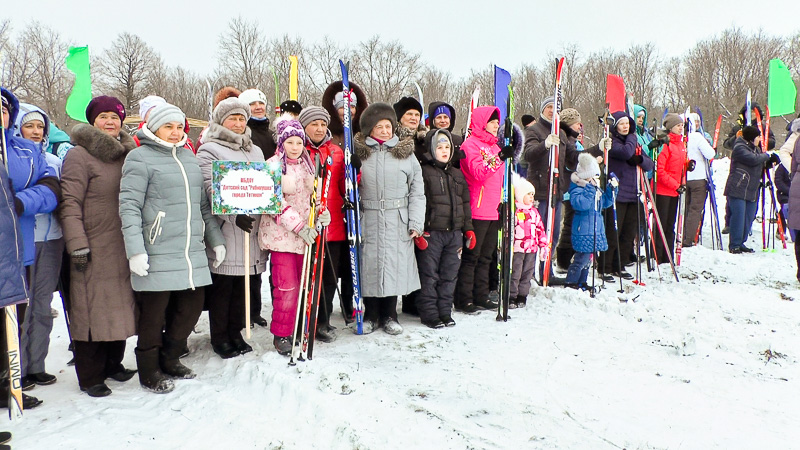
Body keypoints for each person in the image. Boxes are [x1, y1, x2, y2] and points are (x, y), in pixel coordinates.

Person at [120, 103, 227, 392]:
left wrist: (215, 240)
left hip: (190, 251)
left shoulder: (189, 158)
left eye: (179, 126)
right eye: (168, 126)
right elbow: (129, 206)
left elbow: (203, 206)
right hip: (156, 249)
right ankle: (148, 368)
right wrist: (135, 250)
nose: (175, 132)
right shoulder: (139, 158)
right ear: (153, 128)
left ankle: (170, 357)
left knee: (190, 309)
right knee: (153, 315)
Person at [60, 96, 137, 397]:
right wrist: (77, 244)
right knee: (90, 308)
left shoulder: (128, 154)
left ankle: (112, 364)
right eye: (103, 116)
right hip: (92, 244)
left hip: (122, 242)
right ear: (93, 120)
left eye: (115, 117)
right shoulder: (80, 155)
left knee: (118, 306)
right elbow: (69, 203)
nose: (110, 122)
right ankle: (90, 375)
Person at [196, 98, 267, 358]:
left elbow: (262, 184)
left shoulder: (254, 150)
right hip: (226, 229)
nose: (238, 124)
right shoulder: (209, 150)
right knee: (223, 287)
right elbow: (209, 187)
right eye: (232, 119)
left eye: (241, 118)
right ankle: (220, 336)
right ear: (220, 121)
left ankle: (236, 331)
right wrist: (233, 214)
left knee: (244, 287)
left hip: (252, 229)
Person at [1, 88, 56, 409]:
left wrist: (19, 201)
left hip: (19, 250)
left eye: (5, 108)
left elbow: (50, 189)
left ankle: (9, 383)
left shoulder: (24, 151)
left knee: (13, 319)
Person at [353, 103, 425, 334]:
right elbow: (348, 189)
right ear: (369, 129)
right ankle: (371, 314)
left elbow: (417, 190)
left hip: (397, 218)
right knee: (371, 266)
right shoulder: (359, 154)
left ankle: (390, 315)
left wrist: (415, 221)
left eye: (388, 126)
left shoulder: (406, 155)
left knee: (394, 265)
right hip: (369, 217)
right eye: (379, 127)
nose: (385, 131)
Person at [258, 118, 328, 354]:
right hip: (283, 238)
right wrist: (299, 226)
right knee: (286, 288)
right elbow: (273, 204)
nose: (295, 146)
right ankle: (282, 333)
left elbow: (315, 197)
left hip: (305, 238)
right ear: (282, 142)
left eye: (299, 142)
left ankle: (299, 326)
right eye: (290, 141)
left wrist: (321, 213)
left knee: (304, 286)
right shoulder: (272, 166)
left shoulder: (309, 165)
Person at [13, 104, 63, 389]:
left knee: (43, 305)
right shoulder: (12, 159)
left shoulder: (53, 162)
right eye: (29, 126)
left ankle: (36, 365)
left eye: (40, 127)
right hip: (22, 241)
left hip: (52, 239)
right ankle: (15, 370)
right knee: (22, 306)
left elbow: (56, 196)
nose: (35, 131)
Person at [455, 106, 514, 313]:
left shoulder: (495, 146)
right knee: (472, 257)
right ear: (482, 123)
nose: (496, 125)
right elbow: (479, 172)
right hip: (476, 209)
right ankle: (465, 299)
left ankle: (481, 295)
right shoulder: (470, 145)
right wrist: (499, 158)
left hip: (493, 209)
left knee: (487, 258)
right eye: (492, 122)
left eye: (497, 123)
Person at [415, 129, 473, 328]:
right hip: (432, 233)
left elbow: (465, 202)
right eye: (439, 147)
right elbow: (418, 202)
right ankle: (430, 313)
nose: (444, 151)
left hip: (454, 234)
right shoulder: (423, 171)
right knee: (430, 275)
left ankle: (445, 312)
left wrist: (469, 229)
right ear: (432, 149)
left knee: (449, 275)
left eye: (447, 147)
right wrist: (419, 231)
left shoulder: (457, 174)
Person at [298, 106, 346, 342]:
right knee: (306, 276)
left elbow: (343, 187)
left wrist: (353, 173)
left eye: (322, 124)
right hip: (305, 224)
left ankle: (323, 321)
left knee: (328, 277)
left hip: (332, 225)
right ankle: (303, 320)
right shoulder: (297, 148)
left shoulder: (336, 151)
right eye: (313, 124)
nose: (319, 128)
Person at [599, 111, 654, 280]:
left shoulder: (633, 145)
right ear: (615, 126)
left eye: (628, 124)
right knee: (613, 231)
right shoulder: (612, 142)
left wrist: (640, 159)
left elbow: (649, 163)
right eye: (622, 124)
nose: (626, 127)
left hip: (633, 193)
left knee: (628, 233)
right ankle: (605, 266)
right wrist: (633, 137)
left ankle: (619, 263)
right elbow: (624, 153)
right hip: (617, 193)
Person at [394, 96, 427, 316]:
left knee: (421, 258)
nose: (414, 118)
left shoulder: (427, 139)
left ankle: (416, 301)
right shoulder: (395, 141)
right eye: (409, 115)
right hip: (400, 205)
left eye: (417, 114)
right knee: (403, 256)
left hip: (422, 203)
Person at [721, 101, 776, 233]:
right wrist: (737, 137)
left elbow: (772, 142)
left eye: (752, 113)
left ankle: (747, 224)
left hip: (757, 164)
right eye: (747, 112)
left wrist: (760, 140)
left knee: (753, 193)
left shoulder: (762, 127)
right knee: (735, 194)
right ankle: (730, 223)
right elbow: (727, 144)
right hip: (741, 166)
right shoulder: (738, 128)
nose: (750, 115)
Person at [565, 153, 618, 290]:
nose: (595, 179)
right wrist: (590, 189)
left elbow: (604, 203)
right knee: (580, 259)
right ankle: (571, 282)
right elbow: (581, 205)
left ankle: (582, 281)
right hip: (583, 229)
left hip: (594, 229)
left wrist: (611, 190)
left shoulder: (594, 188)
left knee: (588, 260)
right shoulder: (577, 188)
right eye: (592, 176)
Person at [723, 125, 777, 253]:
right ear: (752, 138)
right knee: (738, 217)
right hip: (738, 187)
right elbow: (753, 160)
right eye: (758, 136)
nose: (760, 139)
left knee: (748, 217)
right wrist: (766, 156)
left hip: (752, 189)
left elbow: (759, 163)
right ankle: (734, 244)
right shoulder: (739, 147)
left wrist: (771, 162)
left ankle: (741, 242)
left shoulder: (756, 149)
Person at [653, 113, 689, 264]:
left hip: (675, 191)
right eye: (678, 126)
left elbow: (679, 165)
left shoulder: (681, 144)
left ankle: (668, 256)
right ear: (670, 128)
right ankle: (657, 255)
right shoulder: (665, 144)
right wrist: (676, 185)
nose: (681, 128)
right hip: (663, 191)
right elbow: (660, 171)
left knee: (670, 225)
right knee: (661, 224)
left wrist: (688, 165)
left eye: (682, 125)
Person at [510, 176, 547, 307]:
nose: (531, 197)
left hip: (531, 249)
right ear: (520, 196)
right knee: (515, 272)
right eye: (528, 194)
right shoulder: (514, 211)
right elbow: (509, 229)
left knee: (527, 273)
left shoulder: (534, 212)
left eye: (532, 194)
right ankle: (512, 295)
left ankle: (522, 295)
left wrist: (543, 245)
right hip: (517, 249)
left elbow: (540, 229)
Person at [682, 113, 717, 247]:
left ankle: (683, 234)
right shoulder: (696, 137)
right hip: (698, 178)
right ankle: (688, 239)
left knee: (686, 208)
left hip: (685, 178)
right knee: (695, 209)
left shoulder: (682, 138)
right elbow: (710, 153)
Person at [321, 80, 369, 150]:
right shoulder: (326, 134)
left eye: (352, 107)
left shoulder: (364, 133)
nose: (348, 111)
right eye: (343, 107)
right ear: (335, 110)